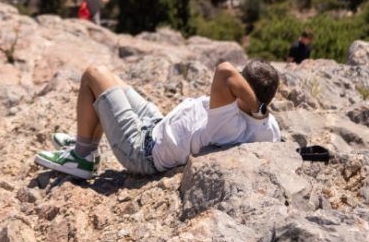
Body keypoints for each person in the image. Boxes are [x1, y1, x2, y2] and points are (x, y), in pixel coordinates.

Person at [34, 59, 281, 179]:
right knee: (110, 82)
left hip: (142, 150)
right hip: (157, 124)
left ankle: (82, 157)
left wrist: (254, 106)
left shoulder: (231, 124)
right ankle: (85, 144)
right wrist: (259, 110)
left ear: (243, 92)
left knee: (94, 75)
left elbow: (225, 71)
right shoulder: (267, 126)